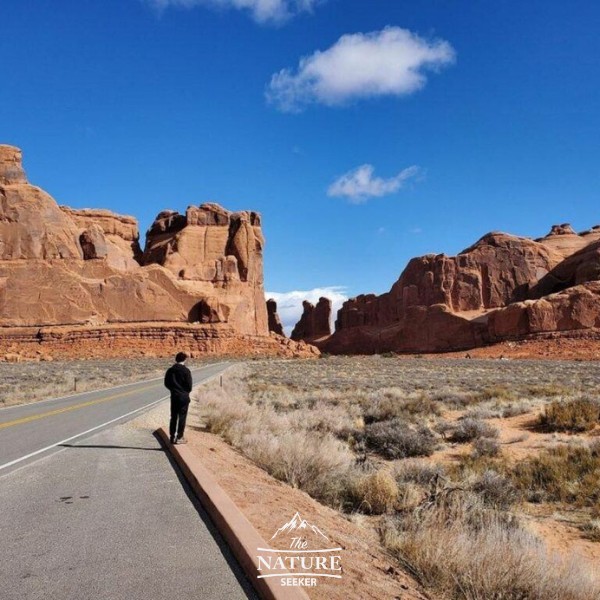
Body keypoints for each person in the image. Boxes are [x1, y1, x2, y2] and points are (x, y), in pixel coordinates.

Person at [164, 352, 193, 444]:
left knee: (173, 417)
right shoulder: (186, 371)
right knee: (182, 417)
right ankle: (179, 437)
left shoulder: (170, 370)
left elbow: (166, 383)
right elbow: (189, 386)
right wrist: (184, 392)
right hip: (183, 397)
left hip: (174, 396)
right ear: (184, 359)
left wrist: (173, 390)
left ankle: (172, 437)